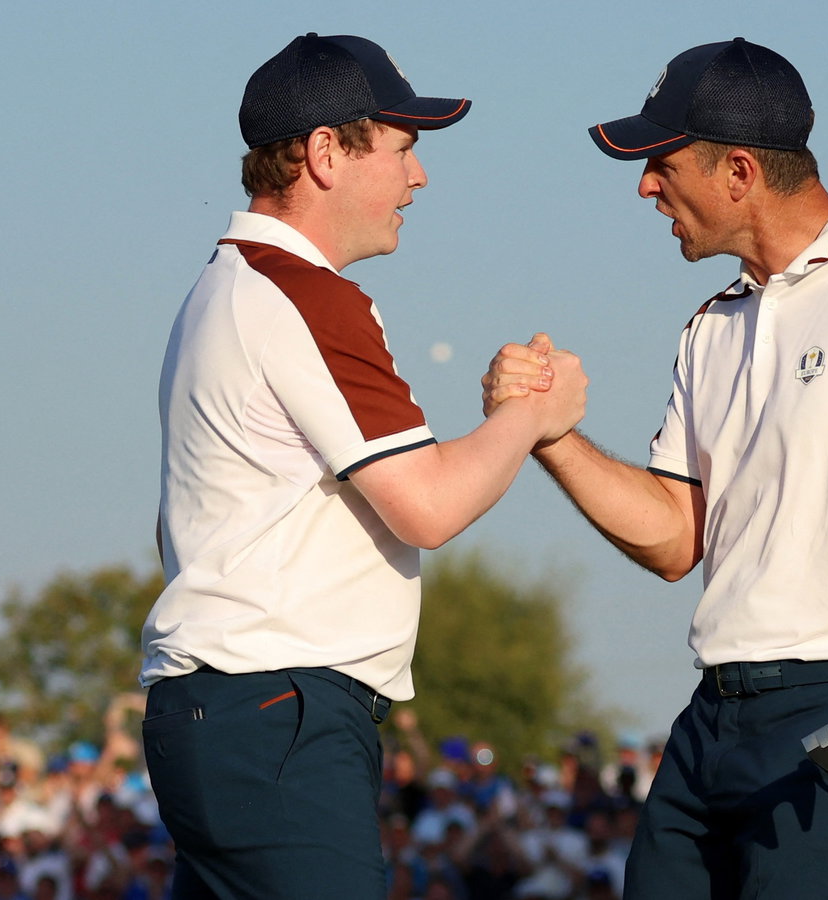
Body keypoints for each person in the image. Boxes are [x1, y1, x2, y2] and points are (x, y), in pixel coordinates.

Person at [484, 37, 828, 898]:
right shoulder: (711, 324)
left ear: (738, 171)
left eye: (661, 164)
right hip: (714, 716)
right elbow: (675, 539)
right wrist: (548, 436)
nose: (644, 186)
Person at [139, 33, 586, 900]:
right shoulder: (304, 294)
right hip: (279, 712)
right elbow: (425, 506)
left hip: (228, 709)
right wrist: (533, 415)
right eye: (404, 148)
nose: (418, 178)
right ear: (323, 153)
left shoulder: (220, 290)